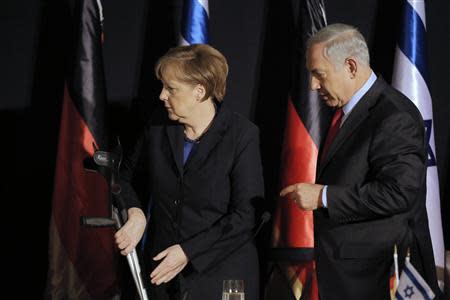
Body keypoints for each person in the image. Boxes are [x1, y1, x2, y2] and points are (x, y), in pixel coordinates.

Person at [280, 23, 440, 299]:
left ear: (351, 67)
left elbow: (398, 193)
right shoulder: (346, 112)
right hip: (348, 275)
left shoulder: (393, 115)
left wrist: (323, 197)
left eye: (319, 74)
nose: (312, 84)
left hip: (379, 277)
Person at [114, 44, 264, 300]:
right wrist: (136, 212)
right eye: (162, 86)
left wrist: (187, 252)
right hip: (162, 275)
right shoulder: (157, 126)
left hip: (222, 277)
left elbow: (246, 215)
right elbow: (123, 179)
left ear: (199, 91)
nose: (162, 95)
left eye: (171, 89)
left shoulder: (241, 135)